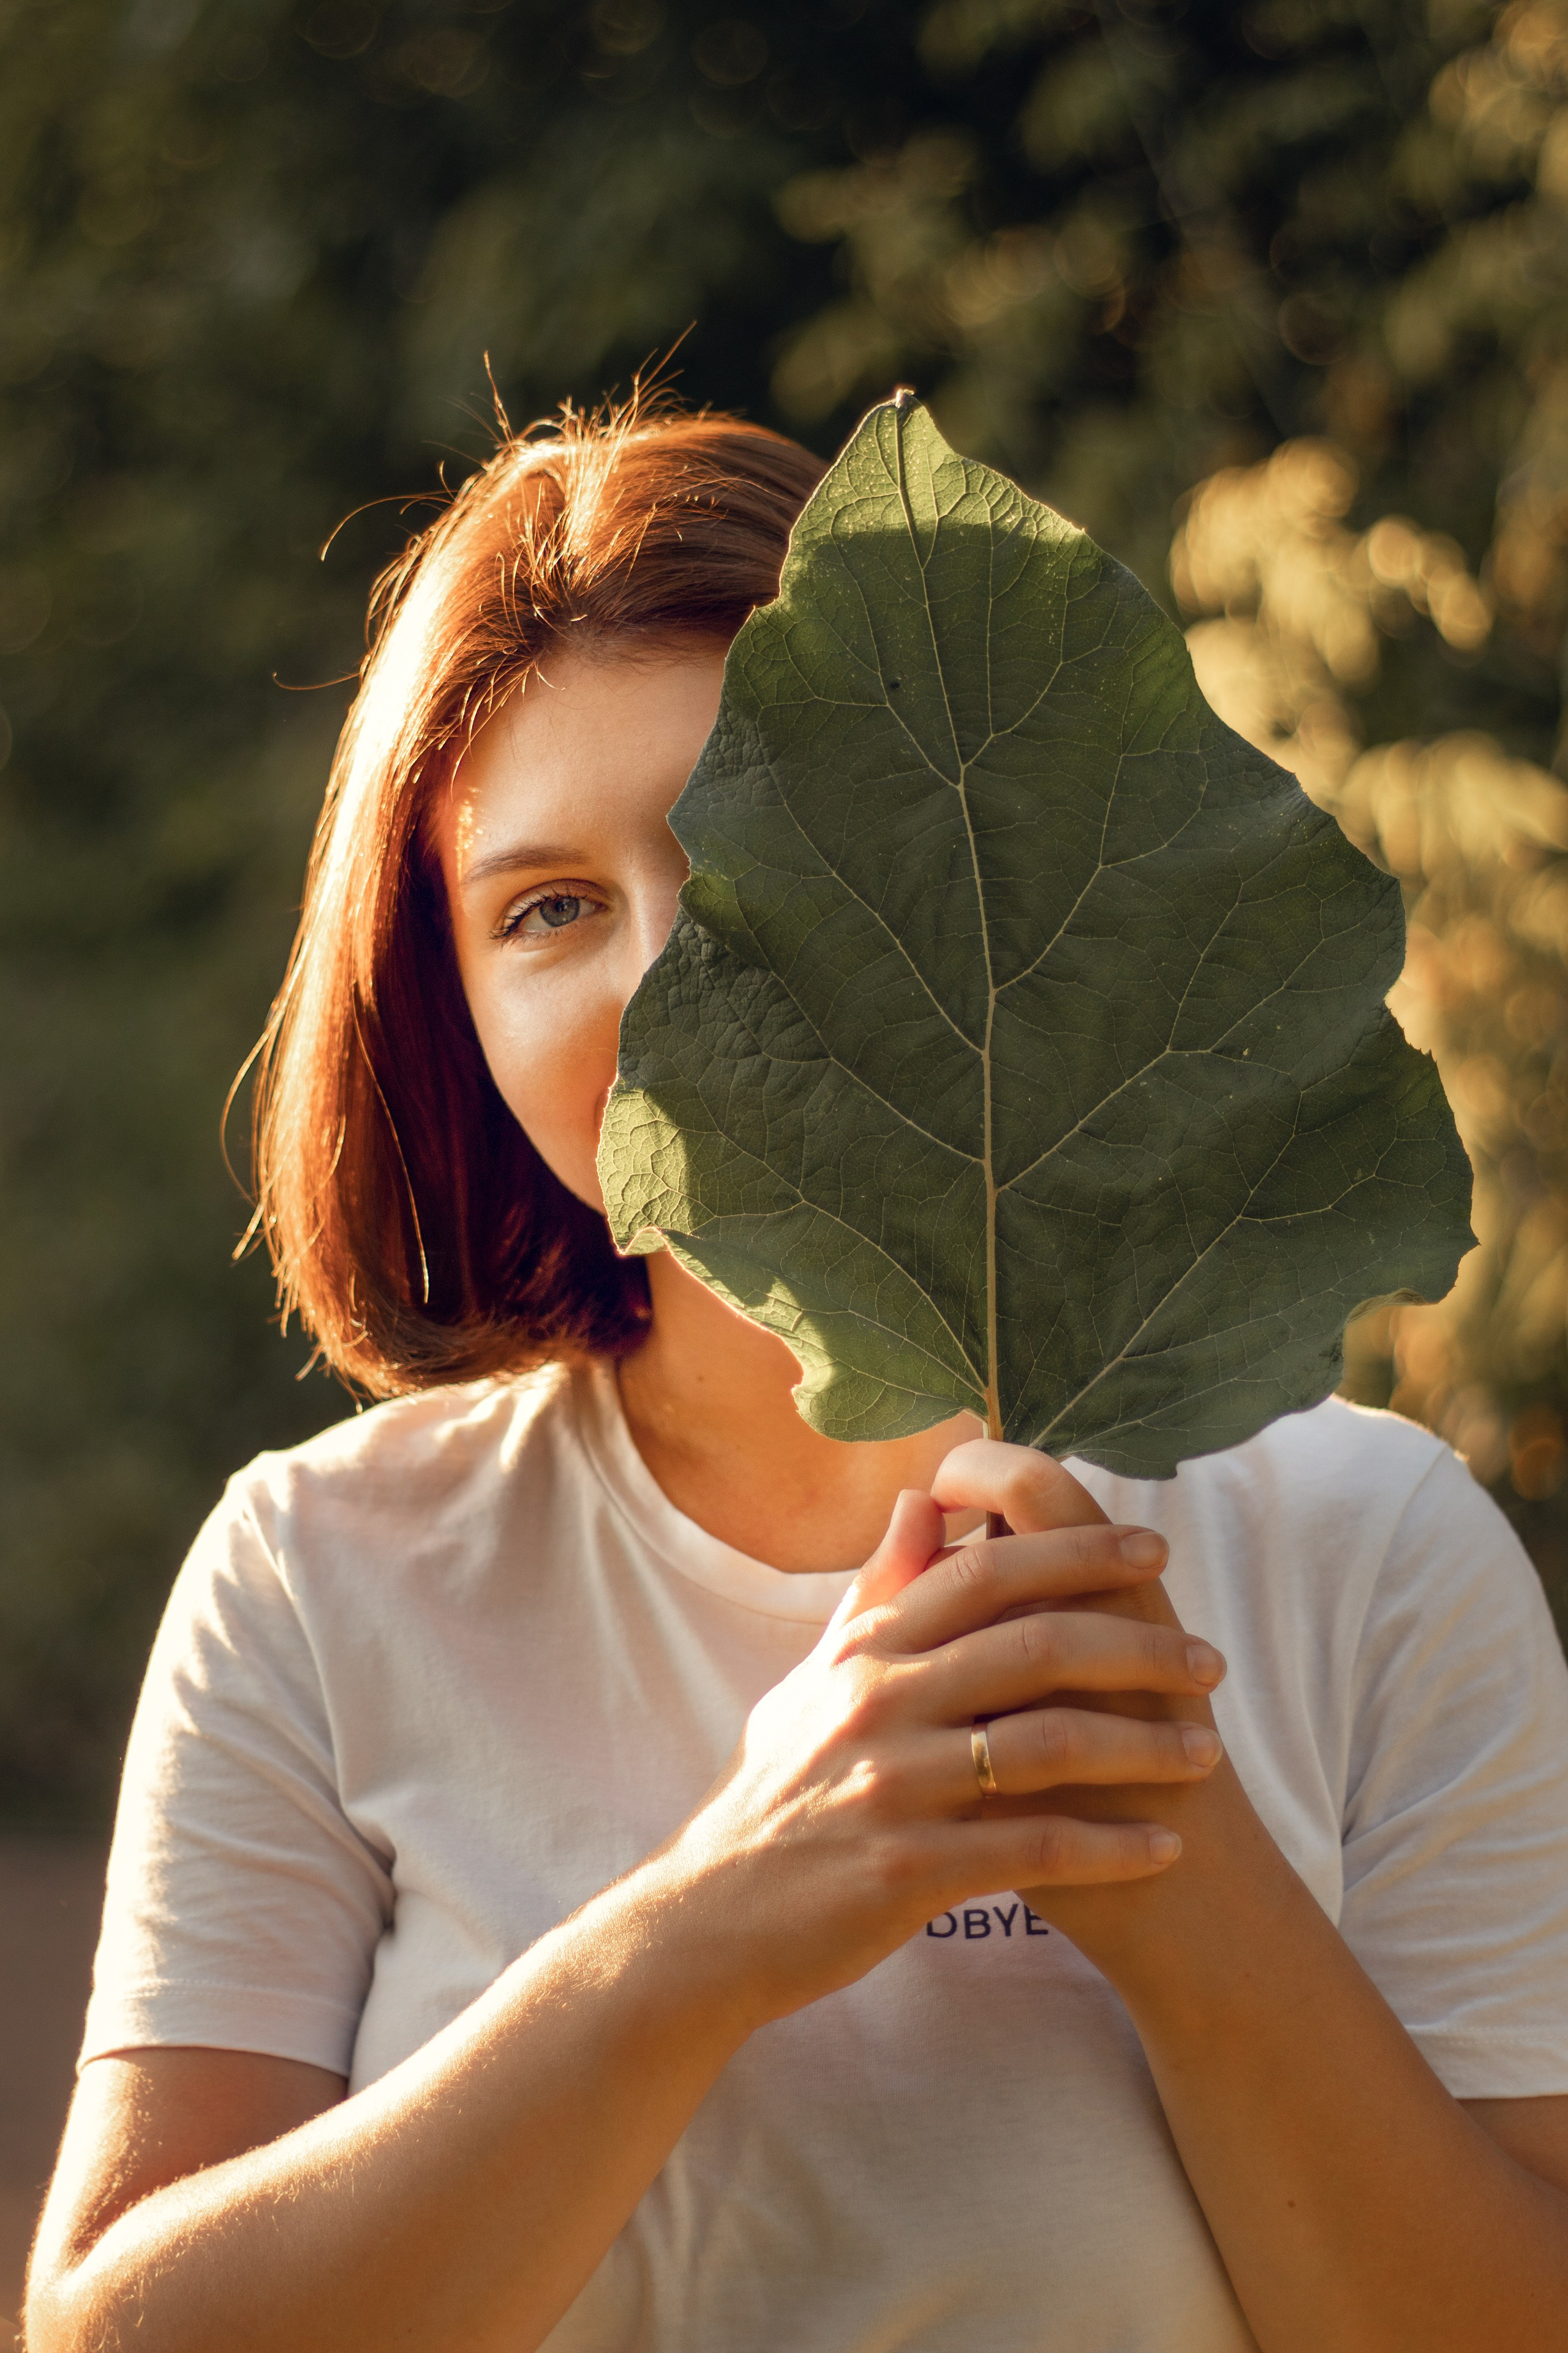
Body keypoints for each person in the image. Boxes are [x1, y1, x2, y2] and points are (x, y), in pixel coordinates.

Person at [23, 400, 1568, 2353]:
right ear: (455, 1011)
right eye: (548, 908)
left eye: (732, 847)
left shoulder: (1371, 1551)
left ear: (945, 876)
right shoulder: (316, 1578)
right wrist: (714, 1920)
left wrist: (1200, 1899)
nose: (665, 969)